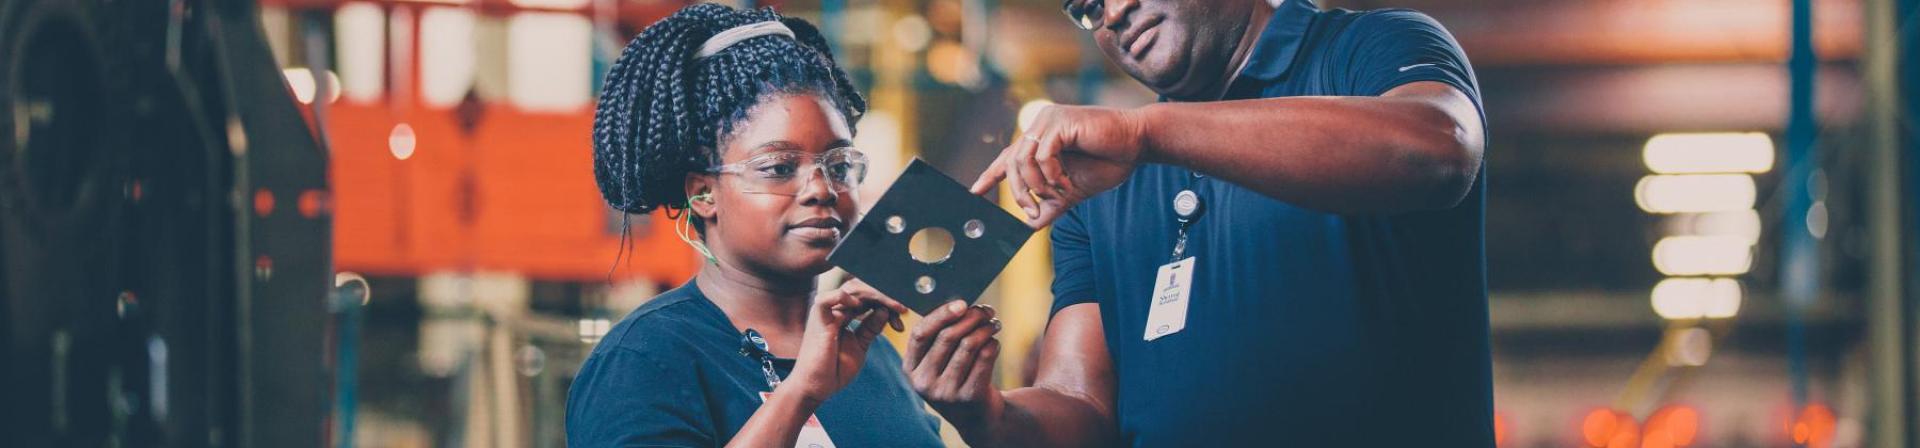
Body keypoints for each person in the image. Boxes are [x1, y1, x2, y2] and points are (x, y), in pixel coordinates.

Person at [903, 0, 1490, 445]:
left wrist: (1147, 132)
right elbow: (1081, 406)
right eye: (1089, 7)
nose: (1114, 13)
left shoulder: (1366, 47)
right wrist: (988, 415)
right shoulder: (1101, 186)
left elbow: (1439, 149)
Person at [565, 5, 977, 446]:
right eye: (779, 168)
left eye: (839, 166)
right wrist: (800, 392)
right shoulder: (646, 358)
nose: (821, 189)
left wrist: (980, 415)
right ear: (703, 194)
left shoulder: (871, 353)